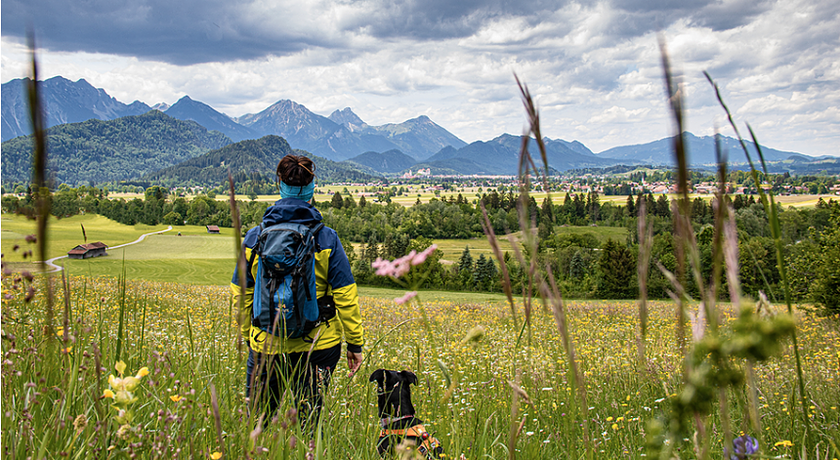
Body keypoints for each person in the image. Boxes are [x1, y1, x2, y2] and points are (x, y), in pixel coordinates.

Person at [231, 154, 364, 426]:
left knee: (258, 425)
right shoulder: (327, 238)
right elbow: (345, 297)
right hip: (318, 345)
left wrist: (250, 335)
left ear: (279, 185)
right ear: (312, 190)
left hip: (266, 345)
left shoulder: (254, 239)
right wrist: (355, 343)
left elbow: (241, 294)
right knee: (310, 427)